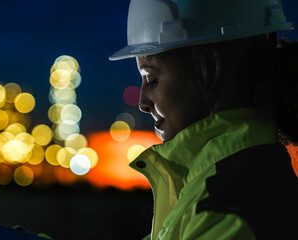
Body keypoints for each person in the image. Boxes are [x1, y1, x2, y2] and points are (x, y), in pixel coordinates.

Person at [109, 0, 298, 239]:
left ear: (208, 69)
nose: (142, 102)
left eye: (151, 79)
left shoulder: (226, 210)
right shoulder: (211, 186)